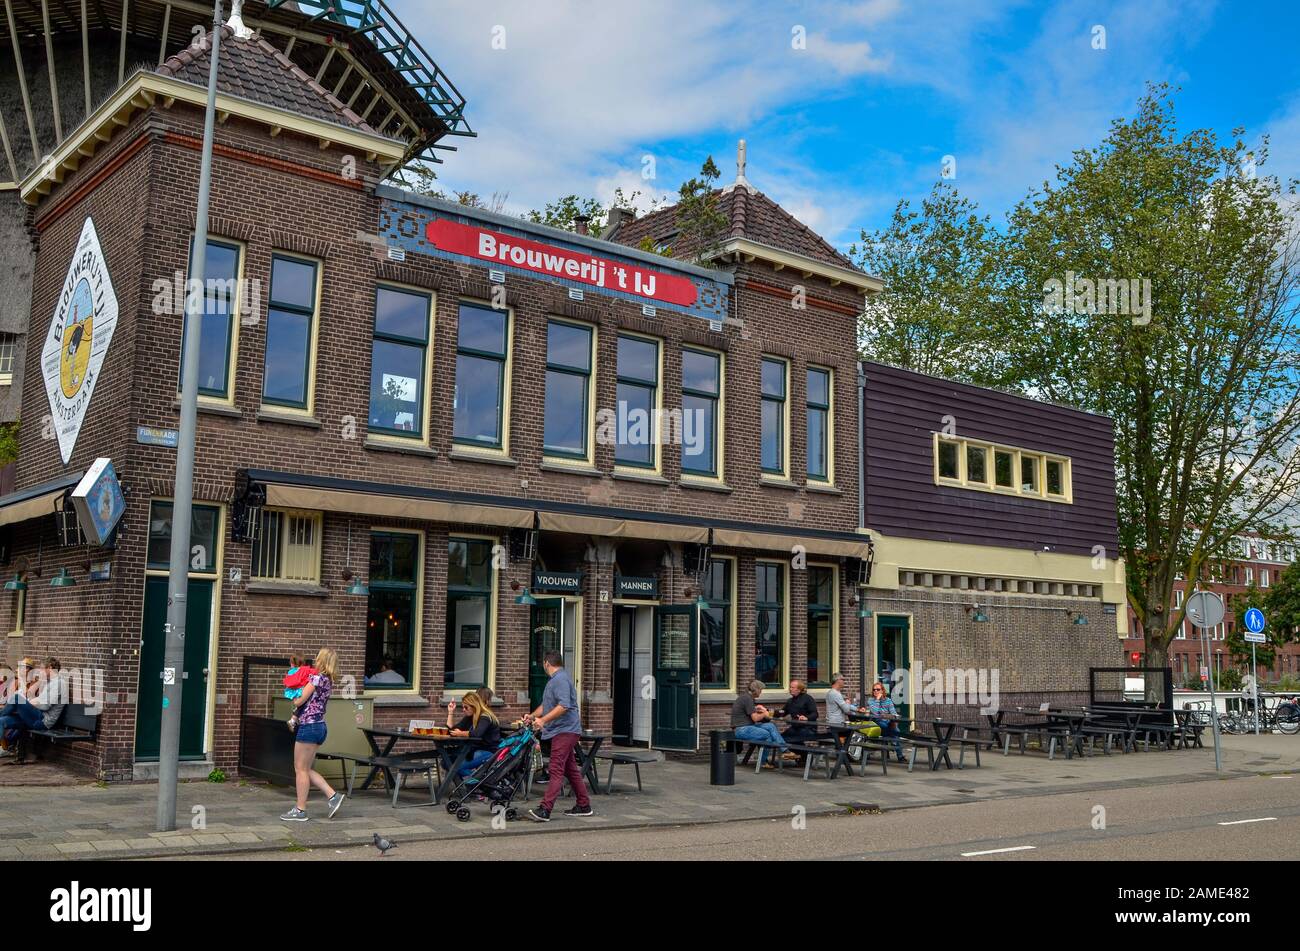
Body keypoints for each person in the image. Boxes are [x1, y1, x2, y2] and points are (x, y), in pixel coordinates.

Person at [526, 651, 592, 821]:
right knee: (570, 769)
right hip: (562, 730)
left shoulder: (561, 679)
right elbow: (547, 705)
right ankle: (584, 805)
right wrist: (533, 716)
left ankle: (545, 809)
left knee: (555, 769)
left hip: (565, 730)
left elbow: (564, 705)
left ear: (547, 663)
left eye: (543, 664)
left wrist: (543, 721)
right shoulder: (555, 680)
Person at [281, 648, 345, 822]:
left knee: (299, 769)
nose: (315, 659)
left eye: (318, 657)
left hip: (309, 727)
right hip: (320, 726)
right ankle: (333, 796)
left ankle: (300, 810)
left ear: (321, 660)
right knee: (306, 769)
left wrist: (293, 694)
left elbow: (300, 700)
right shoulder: (328, 680)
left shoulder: (316, 678)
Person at [0, 658, 68, 761]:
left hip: (43, 721)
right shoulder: (49, 683)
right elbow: (34, 698)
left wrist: (28, 703)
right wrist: (31, 701)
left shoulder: (59, 683)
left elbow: (45, 705)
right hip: (35, 717)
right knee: (1, 721)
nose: (39, 671)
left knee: (17, 698)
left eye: (41, 669)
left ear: (49, 668)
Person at [731, 679, 786, 767]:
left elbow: (750, 713)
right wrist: (764, 713)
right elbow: (755, 718)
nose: (761, 692)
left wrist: (757, 709)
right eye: (760, 690)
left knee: (770, 725)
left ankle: (784, 750)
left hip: (748, 726)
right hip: (741, 729)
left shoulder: (747, 698)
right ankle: (763, 762)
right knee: (767, 735)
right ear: (756, 690)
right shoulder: (747, 699)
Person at [446, 691, 501, 776]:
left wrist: (461, 733)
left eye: (466, 707)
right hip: (474, 750)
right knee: (446, 762)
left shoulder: (485, 716)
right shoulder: (470, 717)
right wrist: (450, 712)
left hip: (489, 751)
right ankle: (472, 784)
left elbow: (477, 733)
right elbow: (451, 730)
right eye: (463, 707)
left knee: (457, 767)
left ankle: (479, 784)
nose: (463, 710)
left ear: (474, 706)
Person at [866, 681, 906, 762]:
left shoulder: (888, 700)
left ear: (882, 690)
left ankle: (898, 750)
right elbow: (875, 712)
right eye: (874, 690)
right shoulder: (871, 700)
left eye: (878, 689)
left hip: (888, 722)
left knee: (895, 729)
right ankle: (900, 755)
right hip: (877, 723)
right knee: (893, 731)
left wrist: (893, 719)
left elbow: (894, 713)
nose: (876, 691)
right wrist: (877, 700)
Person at [780, 679, 818, 750]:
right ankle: (802, 756)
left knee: (794, 738)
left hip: (808, 728)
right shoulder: (790, 701)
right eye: (790, 687)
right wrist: (767, 711)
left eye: (792, 687)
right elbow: (782, 713)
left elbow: (815, 714)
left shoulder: (808, 698)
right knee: (781, 738)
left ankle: (804, 756)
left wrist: (806, 718)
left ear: (799, 689)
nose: (790, 689)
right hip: (795, 728)